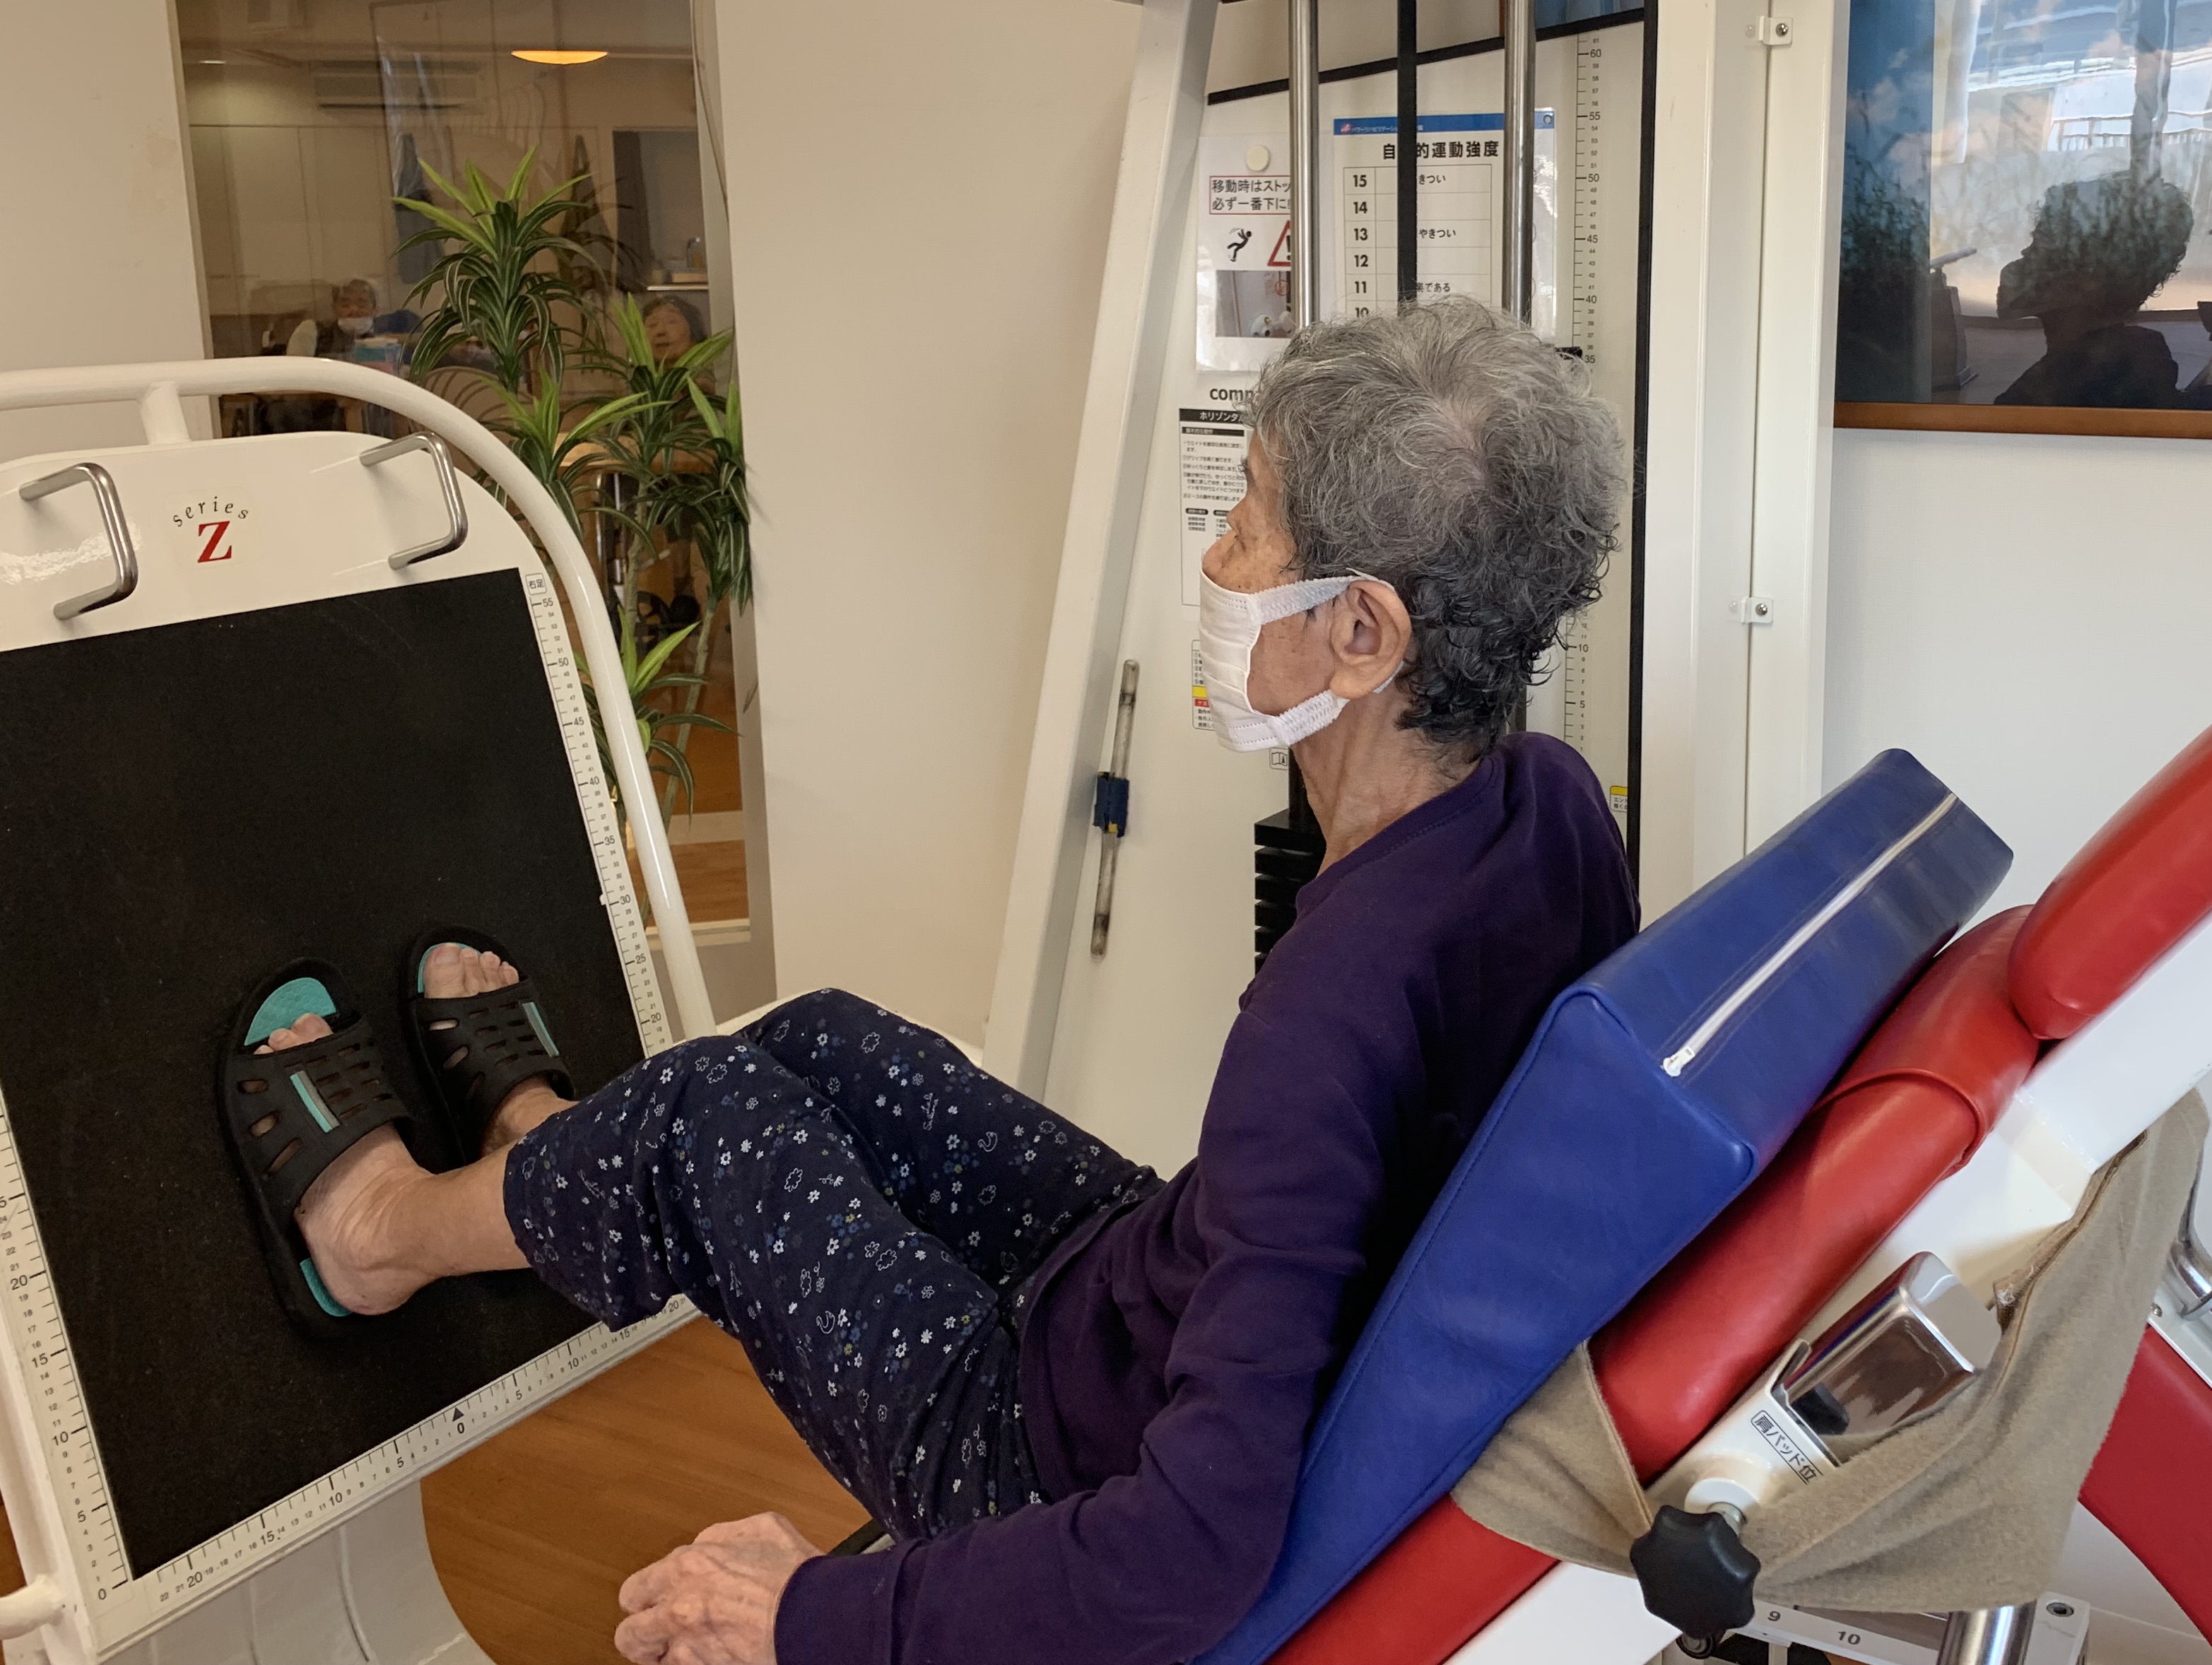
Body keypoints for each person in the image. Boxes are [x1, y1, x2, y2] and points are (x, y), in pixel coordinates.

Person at [219, 298, 1635, 1665]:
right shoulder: (1548, 807)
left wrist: (812, 1620)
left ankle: (380, 1235)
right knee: (823, 1041)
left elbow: (1192, 1551)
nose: (1217, 557)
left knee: (704, 1116)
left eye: (1250, 523)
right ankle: (546, 1155)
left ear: (1364, 632)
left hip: (1023, 1450)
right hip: (1137, 1288)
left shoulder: (1328, 1016)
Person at [1993, 172, 2196, 408]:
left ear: (2087, 277)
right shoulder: (2136, 358)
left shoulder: (2046, 397)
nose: (2024, 256)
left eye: (2041, 246)